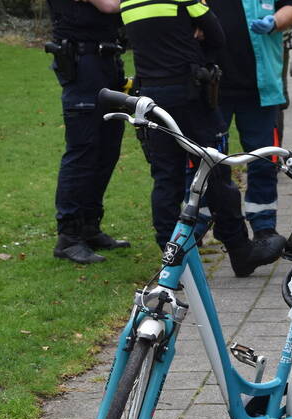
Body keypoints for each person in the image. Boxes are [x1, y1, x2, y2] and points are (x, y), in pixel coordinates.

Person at [117, 0, 277, 277]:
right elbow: (217, 36)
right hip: (191, 98)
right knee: (216, 172)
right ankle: (240, 250)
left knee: (166, 178)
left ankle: (172, 257)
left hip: (153, 100)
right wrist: (193, 33)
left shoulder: (128, 3)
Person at [202, 0, 292, 263]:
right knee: (208, 162)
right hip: (212, 88)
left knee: (263, 161)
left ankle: (264, 227)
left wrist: (275, 21)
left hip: (260, 87)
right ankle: (201, 225)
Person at [45, 0, 132, 264]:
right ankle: (69, 237)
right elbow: (109, 5)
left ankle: (89, 226)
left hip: (107, 61)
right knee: (83, 150)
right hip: (84, 65)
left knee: (108, 149)